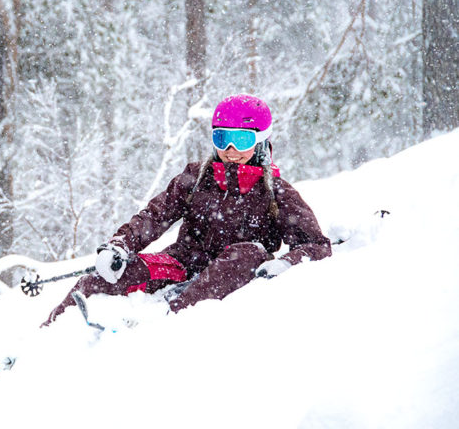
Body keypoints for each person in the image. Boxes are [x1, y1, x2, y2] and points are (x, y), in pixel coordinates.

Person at [42, 94, 331, 326]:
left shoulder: (275, 191)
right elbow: (156, 214)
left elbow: (316, 245)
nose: (230, 149)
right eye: (221, 139)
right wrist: (120, 246)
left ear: (260, 141)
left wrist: (285, 263)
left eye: (241, 140)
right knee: (107, 276)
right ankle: (47, 336)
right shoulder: (197, 177)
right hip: (183, 263)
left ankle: (166, 321)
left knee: (249, 252)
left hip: (234, 270)